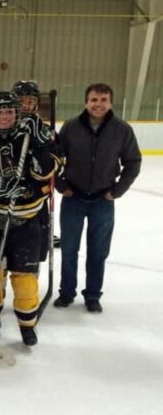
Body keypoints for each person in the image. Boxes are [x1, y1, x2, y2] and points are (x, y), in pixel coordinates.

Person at [0, 91, 58, 346]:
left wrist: (39, 146)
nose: (4, 116)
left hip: (27, 219)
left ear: (17, 113)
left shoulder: (31, 139)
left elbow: (46, 175)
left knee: (24, 275)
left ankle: (27, 325)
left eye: (9, 111)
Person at [54, 83, 141, 313]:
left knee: (98, 251)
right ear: (86, 102)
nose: (98, 104)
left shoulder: (121, 130)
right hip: (73, 198)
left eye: (103, 100)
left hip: (103, 200)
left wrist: (117, 190)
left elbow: (133, 162)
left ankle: (92, 295)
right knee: (69, 249)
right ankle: (66, 293)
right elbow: (54, 159)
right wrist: (61, 185)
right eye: (94, 99)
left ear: (110, 102)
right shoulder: (71, 127)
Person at [12, 80, 61, 256]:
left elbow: (55, 167)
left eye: (31, 101)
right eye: (22, 101)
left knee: (34, 253)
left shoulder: (47, 131)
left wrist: (40, 144)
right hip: (6, 199)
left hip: (36, 200)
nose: (26, 105)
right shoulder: (2, 127)